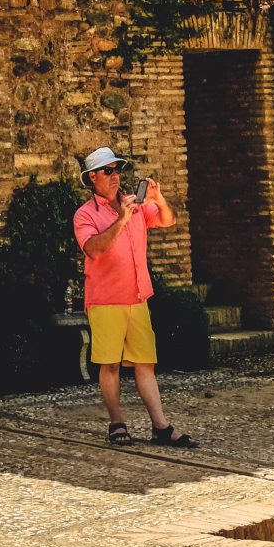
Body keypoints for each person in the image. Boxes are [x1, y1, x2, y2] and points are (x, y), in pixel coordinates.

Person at [73, 147, 196, 449]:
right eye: (108, 171)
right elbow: (94, 249)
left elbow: (168, 220)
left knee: (145, 363)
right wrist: (122, 219)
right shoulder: (85, 214)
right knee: (110, 365)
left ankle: (161, 427)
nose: (115, 176)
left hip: (138, 296)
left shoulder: (136, 204)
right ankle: (117, 423)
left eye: (117, 170)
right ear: (92, 177)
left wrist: (157, 198)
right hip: (106, 301)